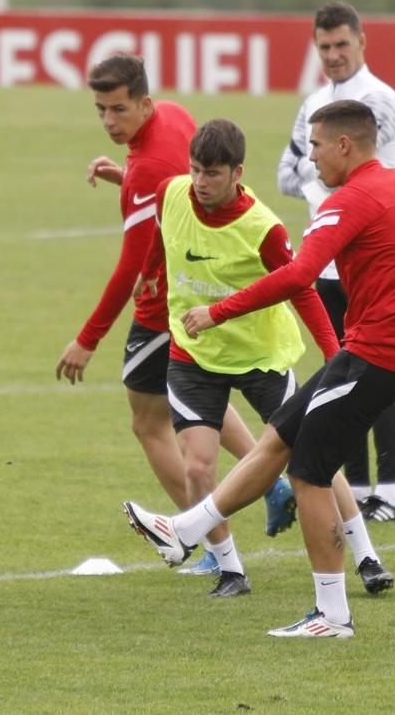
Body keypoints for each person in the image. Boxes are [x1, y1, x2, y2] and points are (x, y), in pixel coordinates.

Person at [126, 100, 395, 638]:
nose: (311, 158)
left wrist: (216, 311)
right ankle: (183, 529)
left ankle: (331, 615)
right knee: (280, 438)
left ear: (345, 145)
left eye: (316, 146)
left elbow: (300, 274)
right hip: (394, 356)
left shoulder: (348, 200)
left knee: (309, 468)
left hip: (373, 353)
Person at [54, 53, 294, 580]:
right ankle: (270, 481)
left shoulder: (147, 170)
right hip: (195, 297)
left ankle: (209, 541)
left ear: (142, 102)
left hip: (170, 309)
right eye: (100, 110)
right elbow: (173, 188)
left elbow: (130, 268)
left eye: (118, 110)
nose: (108, 122)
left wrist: (87, 339)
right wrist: (127, 181)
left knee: (149, 422)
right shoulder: (173, 116)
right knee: (192, 407)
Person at [134, 117, 341, 598]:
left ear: (237, 173)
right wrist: (148, 274)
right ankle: (229, 569)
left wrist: (335, 356)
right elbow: (161, 240)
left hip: (261, 355)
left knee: (310, 455)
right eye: (195, 171)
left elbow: (301, 290)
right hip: (195, 351)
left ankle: (366, 553)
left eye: (212, 173)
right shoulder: (172, 193)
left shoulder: (263, 227)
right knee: (198, 466)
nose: (200, 183)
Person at [277, 1, 395, 522]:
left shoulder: (380, 99)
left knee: (377, 368)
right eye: (324, 47)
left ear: (361, 42)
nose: (333, 56)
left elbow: (363, 170)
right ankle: (357, 485)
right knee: (340, 369)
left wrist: (318, 179)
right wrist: (320, 176)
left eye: (341, 45)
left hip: (369, 254)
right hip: (325, 256)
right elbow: (284, 173)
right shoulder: (314, 101)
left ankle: (392, 488)